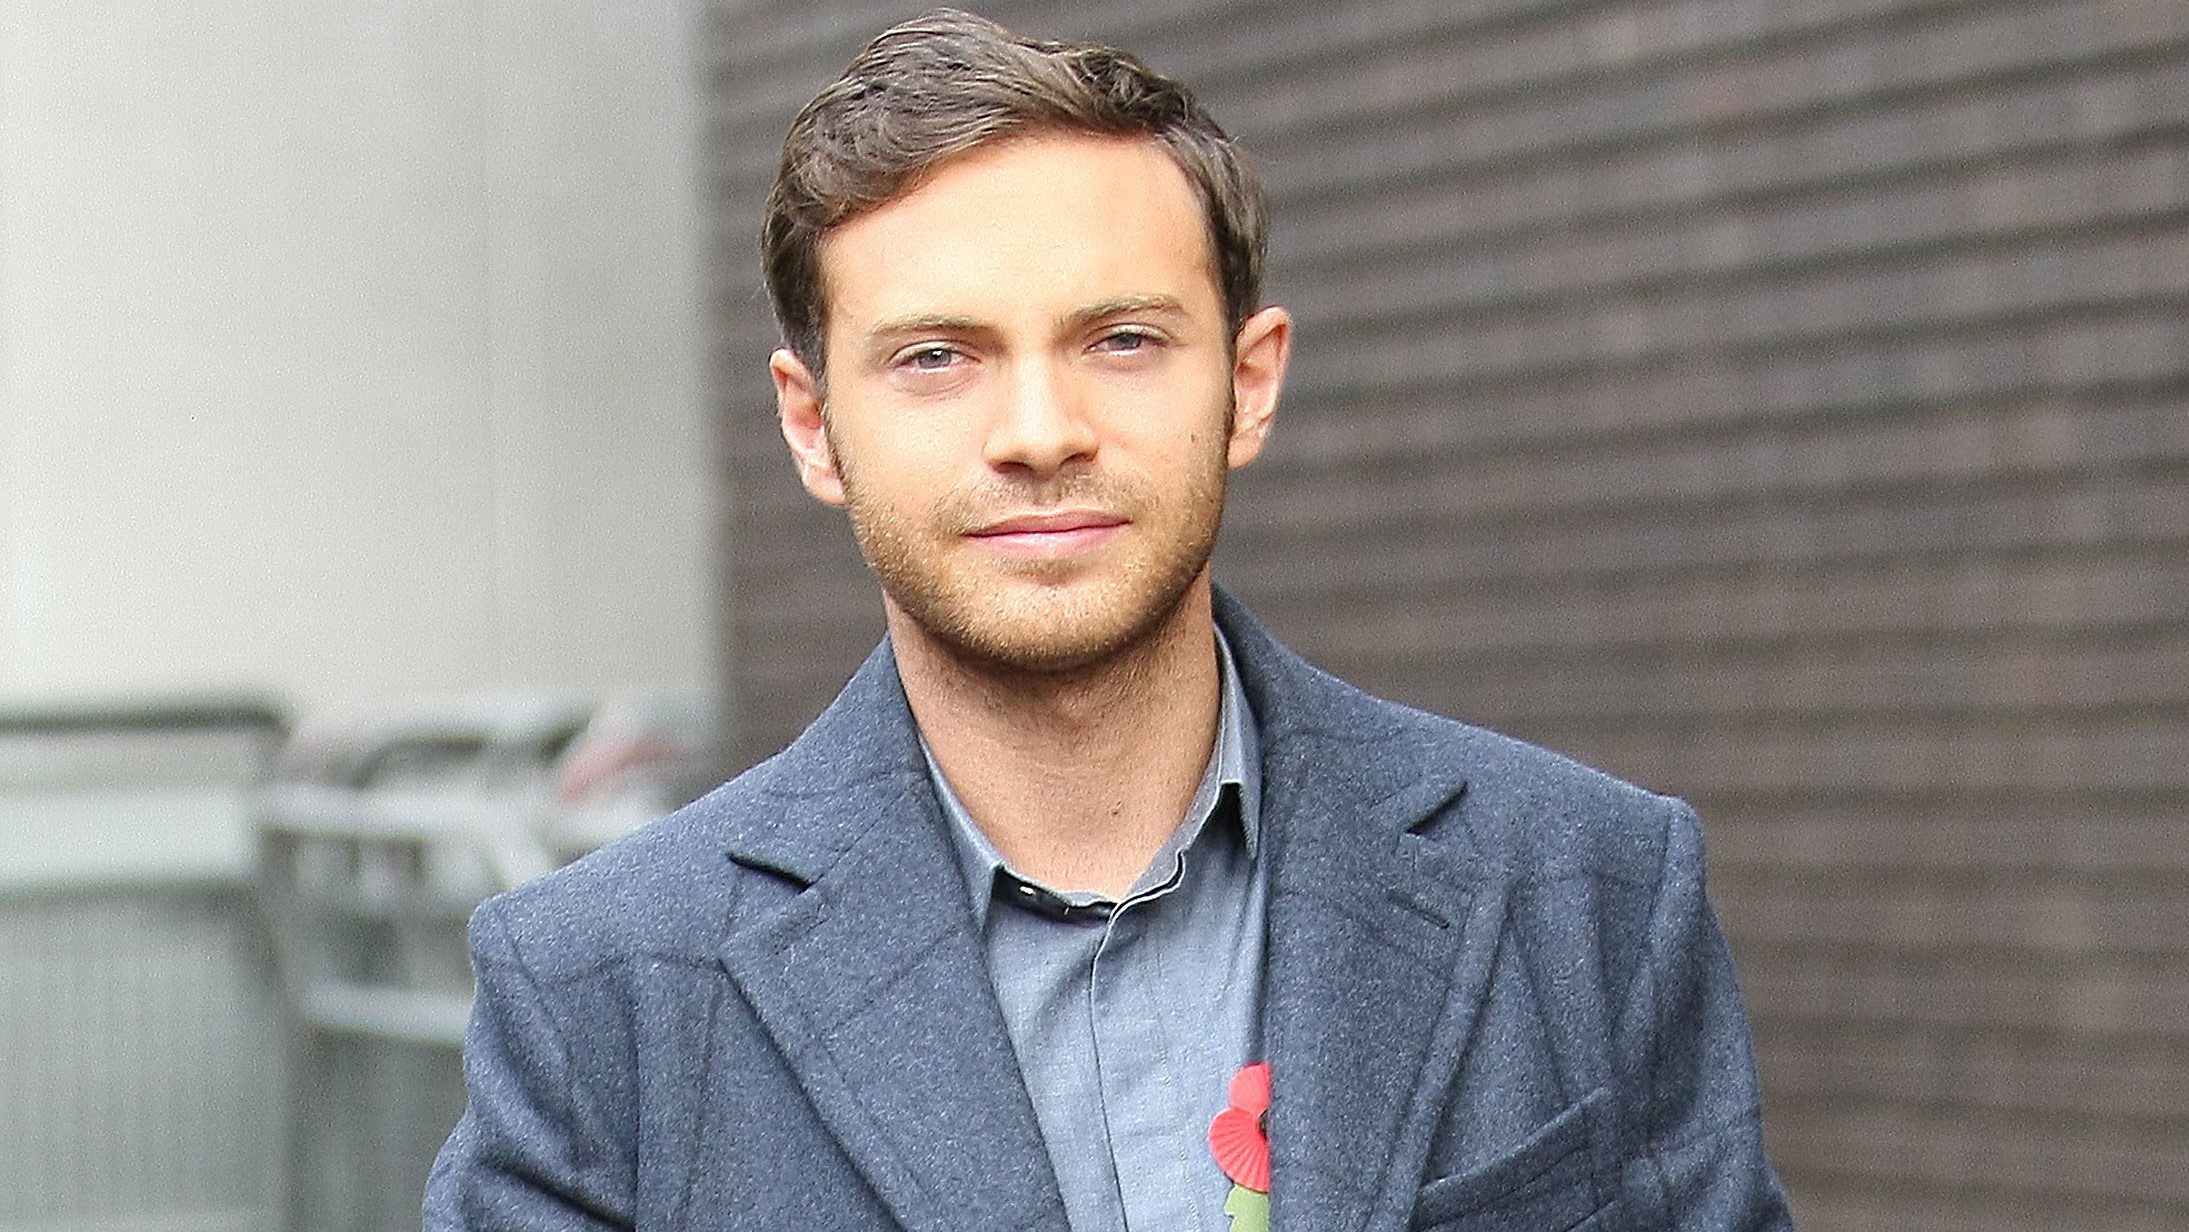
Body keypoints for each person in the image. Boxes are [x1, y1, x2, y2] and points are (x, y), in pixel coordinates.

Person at [425, 9, 1794, 1231]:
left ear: (1250, 382)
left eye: (1122, 341)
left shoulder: (1588, 893)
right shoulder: (604, 994)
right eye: (936, 357)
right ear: (812, 423)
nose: (1038, 431)